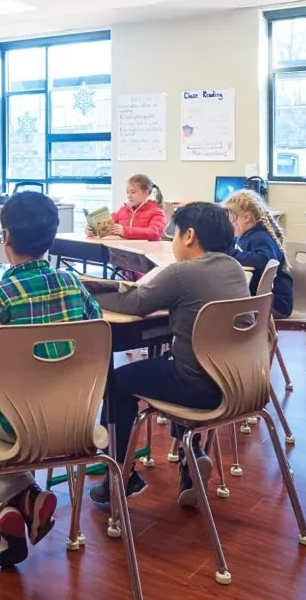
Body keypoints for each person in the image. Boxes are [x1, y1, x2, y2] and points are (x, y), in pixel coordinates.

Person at [0, 191, 102, 569]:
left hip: (18, 423)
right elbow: (97, 327)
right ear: (51, 237)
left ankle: (21, 493)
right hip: (75, 419)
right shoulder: (74, 285)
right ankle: (15, 506)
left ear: (6, 236)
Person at [90, 202, 250, 508]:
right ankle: (192, 454)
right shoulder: (234, 269)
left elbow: (136, 303)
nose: (172, 241)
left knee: (116, 382)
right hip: (237, 382)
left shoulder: (181, 273)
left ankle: (119, 477)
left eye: (173, 234)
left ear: (189, 236)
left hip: (198, 388)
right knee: (174, 362)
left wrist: (93, 290)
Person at [224, 190, 294, 318]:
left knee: (224, 309)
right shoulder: (243, 236)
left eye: (232, 219)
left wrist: (230, 253)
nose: (229, 224)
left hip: (275, 304)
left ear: (246, 218)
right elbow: (231, 247)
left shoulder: (260, 237)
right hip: (261, 298)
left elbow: (264, 260)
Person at [89, 174, 166, 241]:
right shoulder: (123, 210)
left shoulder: (157, 212)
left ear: (146, 192)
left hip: (146, 252)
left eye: (133, 192)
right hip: (124, 251)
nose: (129, 196)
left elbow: (154, 233)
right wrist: (92, 229)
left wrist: (125, 231)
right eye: (127, 192)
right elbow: (107, 224)